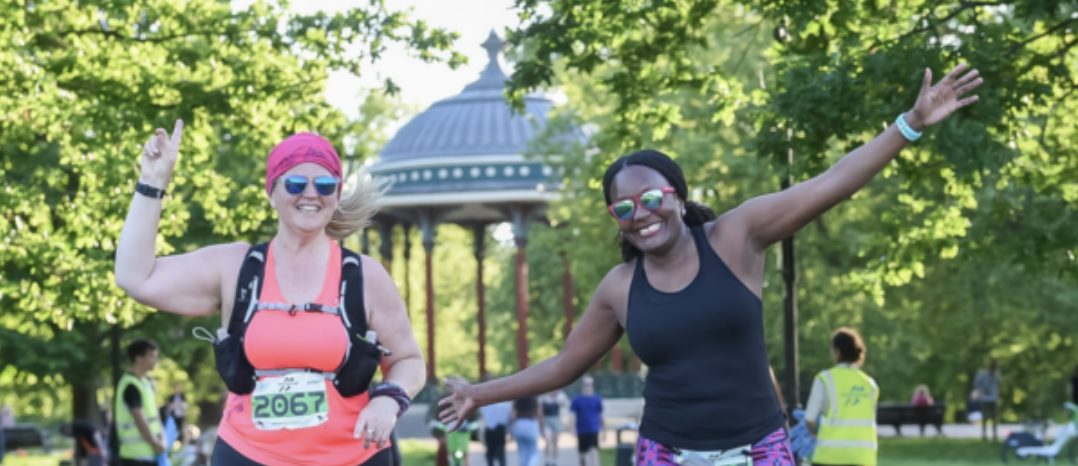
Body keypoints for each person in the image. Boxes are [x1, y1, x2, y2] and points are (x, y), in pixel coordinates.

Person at [438, 64, 983, 466]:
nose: (640, 215)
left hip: (760, 449)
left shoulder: (735, 237)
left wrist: (909, 124)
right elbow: (563, 366)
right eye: (623, 208)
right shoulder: (620, 287)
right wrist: (478, 394)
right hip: (664, 453)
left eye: (651, 199)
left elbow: (832, 184)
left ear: (676, 195)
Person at [114, 127, 426, 466]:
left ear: (336, 196)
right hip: (247, 454)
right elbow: (135, 278)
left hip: (353, 457)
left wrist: (388, 400)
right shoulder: (236, 267)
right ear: (272, 192)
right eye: (295, 184)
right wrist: (152, 182)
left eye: (324, 186)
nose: (311, 194)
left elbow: (409, 361)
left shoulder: (364, 275)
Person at [804, 328, 878, 466]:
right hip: (862, 457)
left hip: (828, 456)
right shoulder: (870, 384)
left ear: (837, 352)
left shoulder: (824, 379)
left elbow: (810, 419)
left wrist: (813, 433)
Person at [114, 339, 166, 466]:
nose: (155, 360)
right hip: (134, 457)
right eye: (152, 356)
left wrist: (162, 440)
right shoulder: (131, 385)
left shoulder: (146, 383)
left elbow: (154, 415)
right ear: (139, 358)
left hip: (149, 455)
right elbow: (140, 419)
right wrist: (156, 443)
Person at [478, 376, 512, 466]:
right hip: (496, 429)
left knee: (493, 453)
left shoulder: (485, 400)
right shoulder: (502, 399)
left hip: (494, 429)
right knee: (496, 453)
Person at [570, 376, 604, 466]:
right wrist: (573, 428)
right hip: (582, 430)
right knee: (582, 456)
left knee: (594, 451)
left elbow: (601, 415)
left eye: (590, 384)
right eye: (586, 384)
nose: (588, 386)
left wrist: (605, 429)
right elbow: (573, 415)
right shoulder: (577, 400)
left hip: (593, 429)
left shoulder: (597, 399)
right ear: (583, 385)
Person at [539, 389, 569, 466]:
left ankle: (554, 461)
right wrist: (541, 427)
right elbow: (540, 413)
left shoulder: (558, 397)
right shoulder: (543, 398)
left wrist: (562, 395)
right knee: (548, 441)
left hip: (556, 421)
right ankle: (547, 460)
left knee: (555, 442)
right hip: (547, 421)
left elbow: (567, 404)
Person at [510, 396, 543, 466]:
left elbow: (513, 416)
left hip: (519, 424)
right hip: (531, 424)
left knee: (522, 453)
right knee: (533, 452)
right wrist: (541, 428)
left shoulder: (517, 401)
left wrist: (511, 431)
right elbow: (540, 414)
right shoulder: (534, 400)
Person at [974, 360, 1001, 441]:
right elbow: (976, 383)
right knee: (985, 417)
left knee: (994, 418)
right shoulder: (982, 375)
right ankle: (984, 435)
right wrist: (980, 391)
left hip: (993, 399)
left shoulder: (996, 375)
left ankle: (994, 435)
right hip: (985, 398)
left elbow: (997, 386)